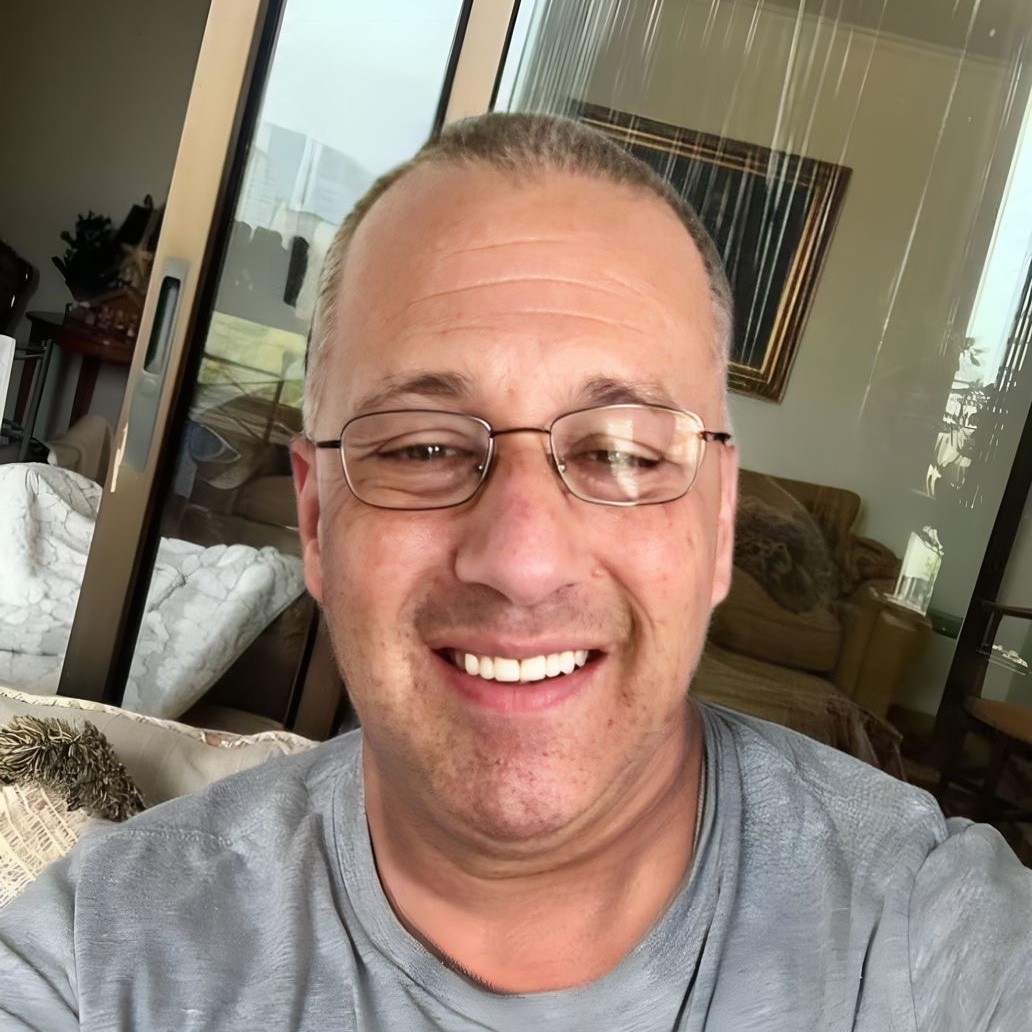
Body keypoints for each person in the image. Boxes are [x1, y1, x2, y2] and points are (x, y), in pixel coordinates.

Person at [1, 112, 1029, 1031]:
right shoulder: (98, 960)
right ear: (315, 521)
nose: (525, 560)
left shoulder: (932, 939)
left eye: (623, 453)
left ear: (718, 527)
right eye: (422, 446)